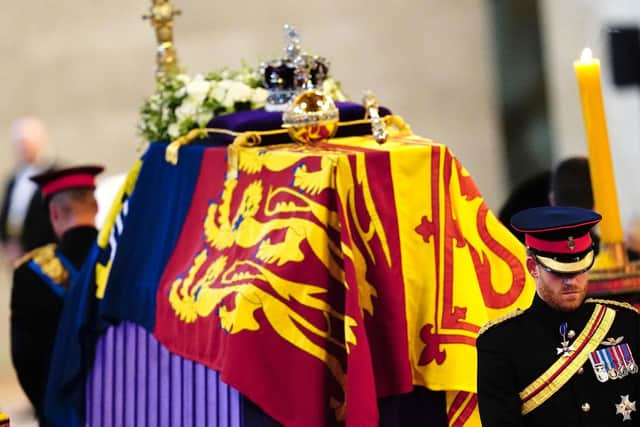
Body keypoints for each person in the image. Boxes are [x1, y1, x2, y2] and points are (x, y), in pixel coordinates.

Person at [477, 206, 640, 426]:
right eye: (559, 272)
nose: (571, 281)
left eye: (579, 269)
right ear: (533, 267)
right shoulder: (500, 343)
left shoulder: (625, 323)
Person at [10, 165, 103, 426]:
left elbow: (25, 358)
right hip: (121, 408)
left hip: (59, 412)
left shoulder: (31, 274)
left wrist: (47, 407)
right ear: (96, 207)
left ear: (54, 212)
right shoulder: (121, 261)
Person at [0, 117, 56, 266]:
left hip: (47, 256)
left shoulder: (55, 175)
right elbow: (6, 214)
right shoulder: (13, 179)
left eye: (27, 144)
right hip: (18, 257)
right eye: (20, 145)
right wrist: (8, 244)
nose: (23, 149)